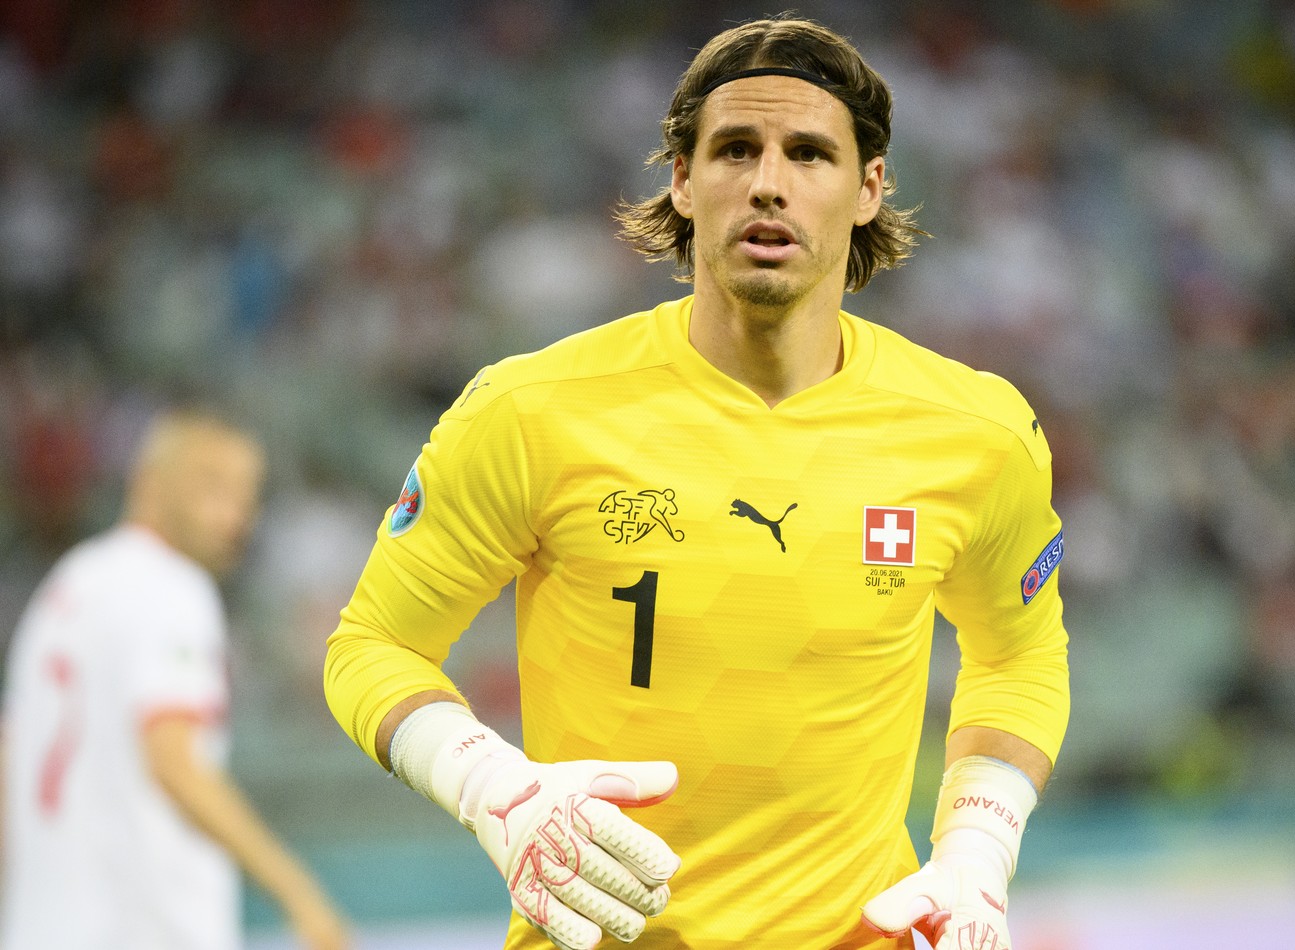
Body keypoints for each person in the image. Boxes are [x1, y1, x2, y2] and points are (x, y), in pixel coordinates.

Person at [324, 16, 1068, 950]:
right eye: (734, 150)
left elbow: (1020, 655)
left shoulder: (978, 433)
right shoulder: (530, 411)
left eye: (808, 153)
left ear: (870, 188)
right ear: (681, 179)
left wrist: (976, 855)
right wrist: (489, 786)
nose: (768, 182)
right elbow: (370, 644)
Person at [2, 410, 351, 950]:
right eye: (211, 486)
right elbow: (173, 762)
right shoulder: (170, 588)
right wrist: (296, 890)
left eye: (246, 494)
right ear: (149, 482)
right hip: (143, 927)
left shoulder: (65, 587)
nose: (235, 514)